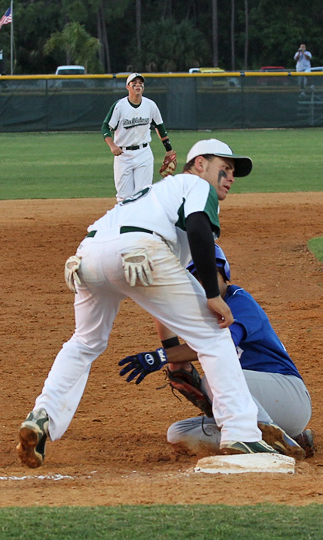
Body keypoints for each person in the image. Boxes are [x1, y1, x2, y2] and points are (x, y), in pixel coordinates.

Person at [17, 138, 280, 469]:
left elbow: (170, 292)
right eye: (223, 169)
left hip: (86, 256)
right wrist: (213, 296)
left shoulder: (154, 195)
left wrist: (170, 347)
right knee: (214, 335)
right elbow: (199, 227)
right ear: (200, 164)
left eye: (232, 174)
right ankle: (242, 433)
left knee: (85, 342)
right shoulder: (195, 185)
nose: (229, 178)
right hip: (138, 248)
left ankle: (43, 416)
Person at [119, 244, 315, 459]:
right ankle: (287, 441)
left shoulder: (239, 302)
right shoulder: (201, 313)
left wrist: (158, 357)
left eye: (211, 275)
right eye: (198, 279)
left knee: (215, 376)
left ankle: (269, 434)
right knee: (179, 433)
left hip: (288, 396)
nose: (206, 284)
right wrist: (157, 302)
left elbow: (218, 347)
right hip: (253, 398)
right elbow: (179, 360)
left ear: (224, 274)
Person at [101, 73, 176, 202]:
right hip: (123, 155)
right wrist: (112, 146)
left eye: (140, 83)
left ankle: (141, 222)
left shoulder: (150, 105)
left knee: (143, 195)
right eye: (134, 83)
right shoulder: (119, 106)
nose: (138, 85)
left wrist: (169, 149)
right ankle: (125, 222)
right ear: (127, 87)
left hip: (143, 153)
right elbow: (105, 128)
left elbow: (160, 127)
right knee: (124, 196)